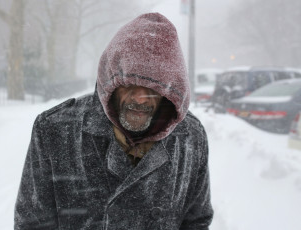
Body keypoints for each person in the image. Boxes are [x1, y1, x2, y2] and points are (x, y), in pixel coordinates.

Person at [14, 13, 213, 229]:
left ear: (168, 92)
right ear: (111, 82)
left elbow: (196, 221)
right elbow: (32, 223)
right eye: (130, 85)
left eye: (152, 89)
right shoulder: (56, 130)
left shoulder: (190, 137)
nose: (140, 98)